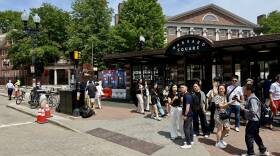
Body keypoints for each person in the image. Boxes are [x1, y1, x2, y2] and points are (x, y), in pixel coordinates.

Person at [241, 84, 269, 156]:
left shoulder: (252, 99)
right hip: (255, 121)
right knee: (256, 136)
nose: (243, 91)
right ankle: (263, 150)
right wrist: (239, 101)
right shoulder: (251, 97)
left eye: (244, 90)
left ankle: (250, 153)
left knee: (249, 136)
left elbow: (253, 111)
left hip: (253, 121)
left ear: (249, 90)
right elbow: (249, 105)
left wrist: (244, 109)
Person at [214, 84, 230, 149]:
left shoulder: (224, 96)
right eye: (220, 89)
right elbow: (220, 106)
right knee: (220, 129)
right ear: (218, 90)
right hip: (218, 115)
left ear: (224, 89)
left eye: (222, 88)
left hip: (224, 114)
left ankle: (221, 139)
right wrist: (229, 104)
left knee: (227, 128)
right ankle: (217, 143)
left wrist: (227, 104)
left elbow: (225, 106)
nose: (221, 90)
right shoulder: (216, 96)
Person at [180, 84, 194, 149]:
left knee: (186, 128)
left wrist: (185, 115)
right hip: (190, 114)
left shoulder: (187, 95)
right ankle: (191, 140)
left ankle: (188, 144)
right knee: (190, 127)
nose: (181, 88)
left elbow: (187, 107)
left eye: (183, 87)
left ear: (186, 88)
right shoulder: (187, 94)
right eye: (180, 88)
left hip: (188, 114)